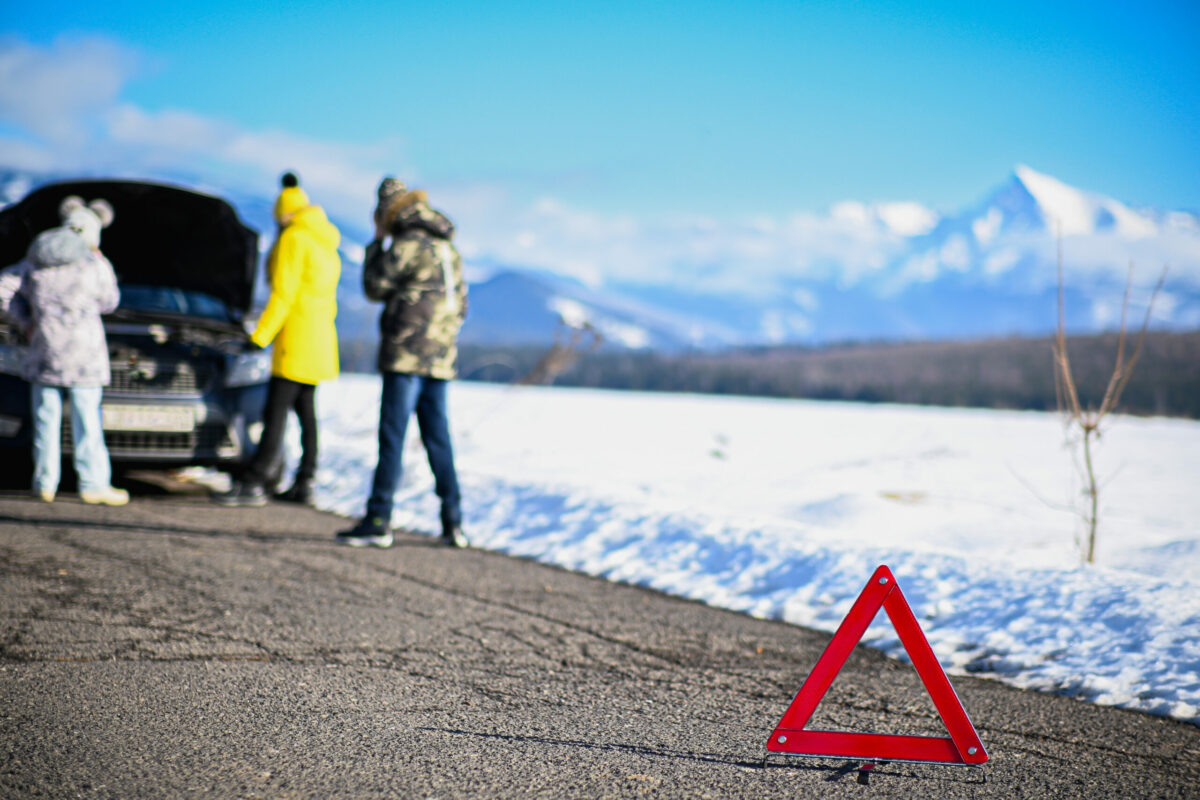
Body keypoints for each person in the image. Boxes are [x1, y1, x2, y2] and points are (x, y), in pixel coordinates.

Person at [336, 177, 468, 548]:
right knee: (437, 438)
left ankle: (379, 519)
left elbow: (375, 286)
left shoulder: (406, 244)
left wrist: (377, 241)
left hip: (405, 356)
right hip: (441, 359)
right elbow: (463, 305)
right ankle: (453, 521)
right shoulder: (449, 250)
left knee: (392, 438)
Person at [214, 172, 341, 507]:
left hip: (295, 338)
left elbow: (283, 294)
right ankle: (305, 481)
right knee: (306, 413)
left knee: (276, 410)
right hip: (321, 338)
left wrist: (260, 335)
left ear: (282, 214)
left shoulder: (293, 239)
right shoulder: (324, 240)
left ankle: (256, 481)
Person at [0, 196, 128, 505]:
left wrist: (26, 321)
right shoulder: (93, 262)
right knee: (87, 422)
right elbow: (110, 300)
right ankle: (93, 483)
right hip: (84, 354)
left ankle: (45, 482)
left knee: (46, 420)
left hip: (44, 348)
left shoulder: (36, 258)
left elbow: (3, 291)